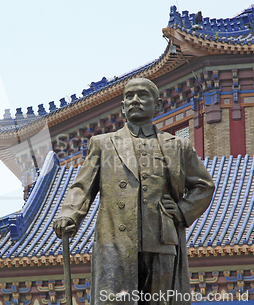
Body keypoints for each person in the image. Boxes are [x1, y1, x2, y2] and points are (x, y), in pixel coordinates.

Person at [53, 78, 215, 305]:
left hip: (161, 239)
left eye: (142, 95)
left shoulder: (177, 146)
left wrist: (181, 210)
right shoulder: (103, 144)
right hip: (116, 241)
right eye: (129, 96)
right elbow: (82, 187)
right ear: (122, 107)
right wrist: (69, 215)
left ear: (157, 105)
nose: (135, 100)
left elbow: (204, 185)